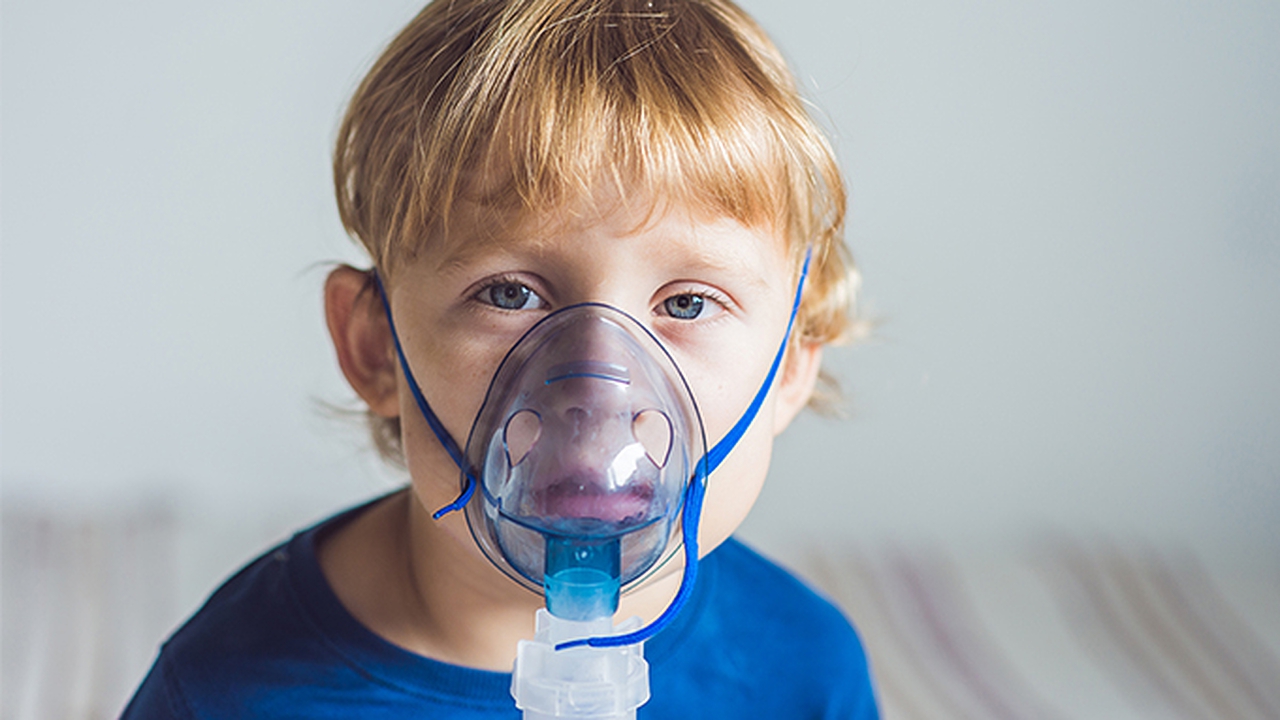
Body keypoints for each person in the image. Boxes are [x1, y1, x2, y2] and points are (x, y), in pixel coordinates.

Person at [123, 0, 878, 717]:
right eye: (511, 294)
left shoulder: (803, 677)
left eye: (686, 304)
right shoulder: (226, 696)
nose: (597, 390)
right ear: (376, 346)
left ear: (792, 359)